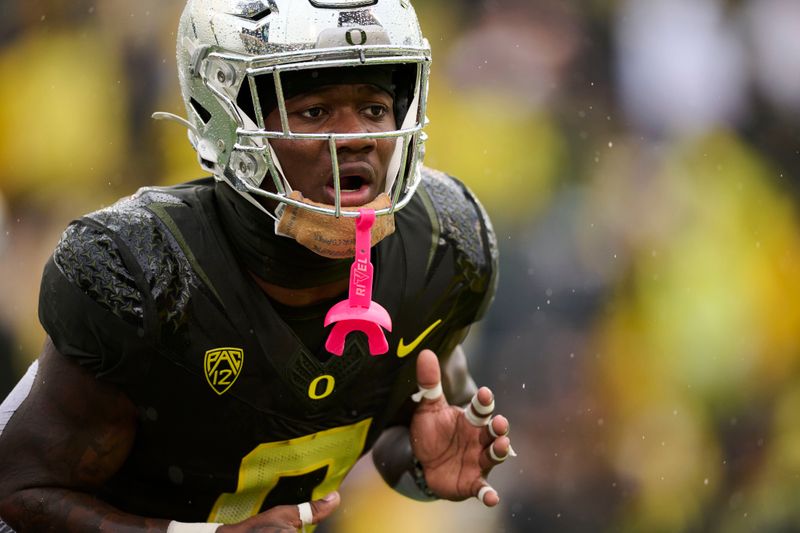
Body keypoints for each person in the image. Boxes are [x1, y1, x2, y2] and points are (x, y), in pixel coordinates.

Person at [0, 0, 512, 531]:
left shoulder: (441, 246)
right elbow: (19, 492)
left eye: (375, 109)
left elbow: (394, 432)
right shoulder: (146, 271)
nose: (357, 136)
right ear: (225, 120)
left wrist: (424, 469)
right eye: (315, 111)